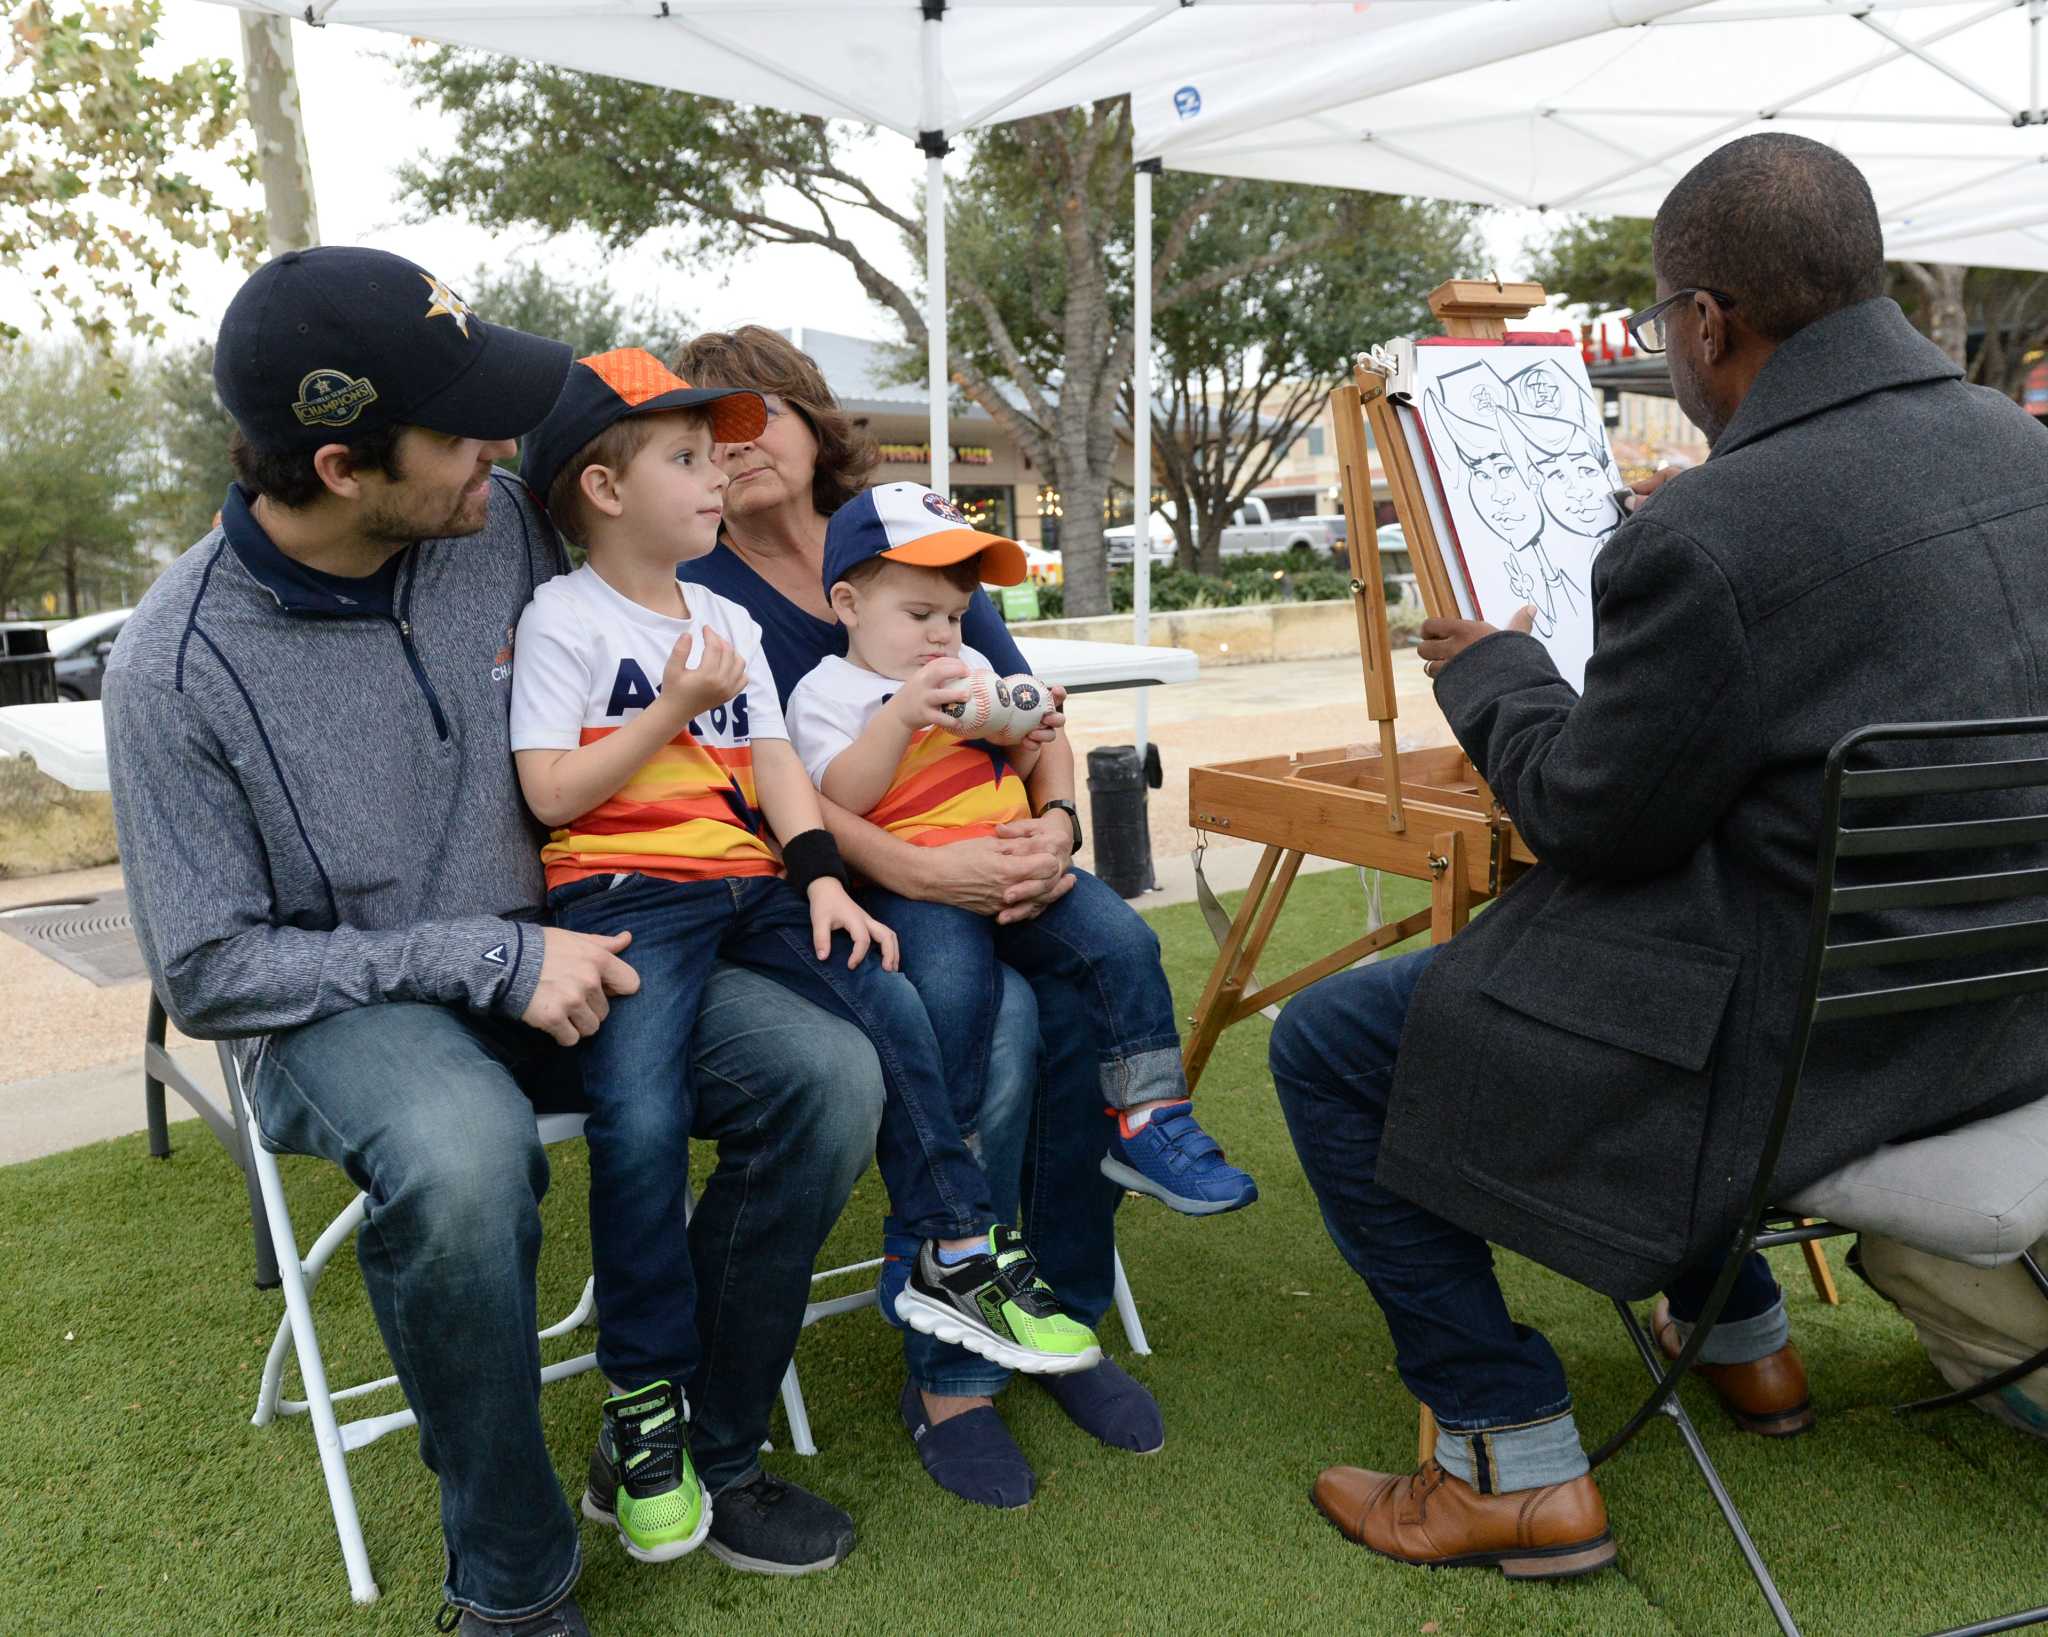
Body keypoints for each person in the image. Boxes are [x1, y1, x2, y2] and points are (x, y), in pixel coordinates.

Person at [1272, 132, 2048, 1578]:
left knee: (1328, 1044)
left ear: (1708, 322)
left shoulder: (1712, 533)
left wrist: (1501, 670)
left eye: (1662, 324)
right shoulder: (2030, 453)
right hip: (2002, 1019)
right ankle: (1747, 1338)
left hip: (1801, 1057)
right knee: (1650, 956)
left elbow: (1589, 818)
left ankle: (1509, 1458)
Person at [103, 252, 880, 1637]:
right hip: (349, 1010)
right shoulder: (175, 667)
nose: (503, 455)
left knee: (829, 1077)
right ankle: (513, 1582)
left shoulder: (507, 521)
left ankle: (692, 1438)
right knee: (465, 1157)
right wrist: (488, 959)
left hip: (591, 948)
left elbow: (683, 605)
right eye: (462, 434)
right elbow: (211, 971)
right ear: (343, 465)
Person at [509, 351, 1100, 1563]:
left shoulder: (721, 617)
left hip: (752, 882)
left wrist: (824, 874)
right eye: (685, 456)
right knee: (636, 1124)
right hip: (626, 900)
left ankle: (951, 1244)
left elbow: (776, 764)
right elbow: (548, 789)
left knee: (885, 991)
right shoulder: (562, 616)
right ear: (606, 490)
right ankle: (644, 1405)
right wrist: (672, 714)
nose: (716, 467)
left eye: (720, 443)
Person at [672, 326, 1165, 1510]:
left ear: (806, 413)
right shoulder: (703, 596)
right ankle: (952, 1376)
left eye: (754, 416)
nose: (733, 451)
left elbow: (1028, 718)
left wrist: (1055, 827)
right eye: (702, 438)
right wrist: (918, 866)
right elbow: (757, 791)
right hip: (835, 894)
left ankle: (1065, 1312)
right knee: (994, 1026)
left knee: (1082, 1018)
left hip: (989, 861)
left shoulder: (920, 548)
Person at [786, 479, 1256, 1218]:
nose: (943, 634)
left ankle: (1150, 1118)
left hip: (1020, 861)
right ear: (848, 605)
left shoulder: (971, 665)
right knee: (950, 989)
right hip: (916, 887)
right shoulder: (826, 693)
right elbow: (839, 797)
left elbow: (1032, 748)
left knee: (1125, 941)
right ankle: (948, 1181)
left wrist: (1037, 730)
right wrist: (901, 718)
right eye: (919, 615)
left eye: (953, 614)